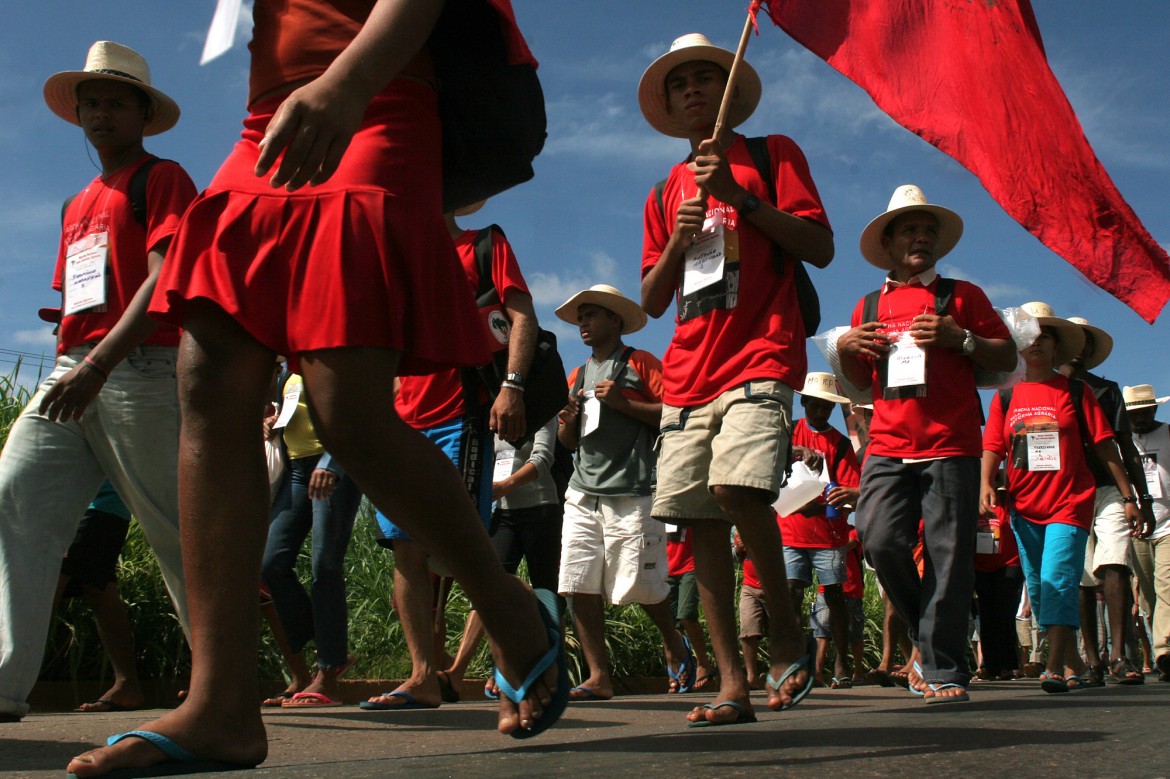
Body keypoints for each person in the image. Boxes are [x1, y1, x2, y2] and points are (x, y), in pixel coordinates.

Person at [65, 4, 566, 775]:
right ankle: (221, 705)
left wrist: (349, 83)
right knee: (207, 376)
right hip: (265, 117)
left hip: (376, 94)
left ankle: (508, 608)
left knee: (350, 413)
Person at [639, 32, 834, 727]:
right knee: (697, 521)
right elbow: (654, 299)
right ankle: (731, 683)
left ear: (727, 93)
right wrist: (675, 240)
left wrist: (740, 200)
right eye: (681, 82)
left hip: (762, 352)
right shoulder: (664, 189)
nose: (694, 89)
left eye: (706, 78)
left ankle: (785, 631)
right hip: (688, 371)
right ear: (669, 102)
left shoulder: (772, 154)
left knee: (736, 487)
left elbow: (821, 246)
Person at [0, 41, 195, 724]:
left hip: (136, 369)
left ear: (142, 113)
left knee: (173, 527)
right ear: (77, 113)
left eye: (117, 100)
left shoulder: (162, 178)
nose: (102, 112)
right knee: (15, 495)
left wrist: (99, 363)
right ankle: (4, 679)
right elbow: (78, 297)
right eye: (92, 101)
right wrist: (71, 360)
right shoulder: (75, 203)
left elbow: (166, 279)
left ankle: (218, 679)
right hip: (72, 368)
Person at [837, 184, 1017, 703]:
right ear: (888, 243)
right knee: (878, 539)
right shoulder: (868, 304)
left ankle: (943, 669)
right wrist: (848, 346)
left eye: (928, 231)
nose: (921, 238)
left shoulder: (963, 296)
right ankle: (925, 635)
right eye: (910, 230)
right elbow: (857, 380)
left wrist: (959, 338)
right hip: (888, 443)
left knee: (948, 555)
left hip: (952, 443)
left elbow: (1005, 358)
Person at [364, 205, 538, 712]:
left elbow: (522, 315)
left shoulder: (483, 245)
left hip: (462, 415)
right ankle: (422, 674)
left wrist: (513, 386)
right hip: (401, 422)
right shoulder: (396, 263)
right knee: (405, 548)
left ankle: (521, 636)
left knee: (462, 548)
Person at [981, 302, 1142, 693]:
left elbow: (1105, 447)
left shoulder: (1076, 391)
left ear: (1056, 348)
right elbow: (992, 446)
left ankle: (1053, 666)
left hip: (1070, 502)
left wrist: (1129, 496)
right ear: (1018, 347)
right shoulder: (1005, 396)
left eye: (1044, 338)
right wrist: (986, 483)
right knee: (1037, 587)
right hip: (1023, 506)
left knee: (1058, 577)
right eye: (1028, 338)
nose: (1035, 344)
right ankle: (1073, 662)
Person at [555, 284, 692, 701]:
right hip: (582, 492)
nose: (583, 323)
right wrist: (569, 420)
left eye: (592, 315)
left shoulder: (641, 363)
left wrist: (626, 404)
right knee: (578, 583)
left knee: (639, 585)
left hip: (633, 490)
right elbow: (567, 443)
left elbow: (675, 415)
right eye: (580, 317)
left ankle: (673, 639)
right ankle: (599, 676)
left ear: (615, 320)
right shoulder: (577, 375)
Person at [438, 416, 565, 701]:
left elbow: (543, 459)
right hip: (504, 514)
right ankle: (456, 674)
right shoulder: (494, 422)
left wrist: (506, 485)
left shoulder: (542, 414)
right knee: (486, 589)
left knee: (547, 593)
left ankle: (549, 671)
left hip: (542, 509)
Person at [1061, 316, 1155, 686]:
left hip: (1109, 488)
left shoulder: (1107, 390)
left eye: (1087, 341)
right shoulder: (1044, 389)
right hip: (1067, 490)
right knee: (1082, 576)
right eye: (1075, 340)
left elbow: (1123, 445)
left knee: (1114, 563)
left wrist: (1139, 497)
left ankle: (1120, 654)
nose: (1081, 347)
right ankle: (1092, 657)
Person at [261, 370, 363, 708]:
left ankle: (328, 673)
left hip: (333, 467)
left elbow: (354, 411)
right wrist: (275, 421)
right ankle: (330, 648)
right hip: (295, 468)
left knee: (325, 566)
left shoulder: (332, 357)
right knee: (271, 563)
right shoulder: (288, 368)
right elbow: (292, 408)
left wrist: (331, 463)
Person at [780, 372, 861, 688]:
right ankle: (797, 663)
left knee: (836, 596)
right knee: (792, 595)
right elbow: (772, 462)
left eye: (826, 407)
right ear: (804, 403)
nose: (821, 411)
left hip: (829, 534)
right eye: (816, 405)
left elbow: (851, 487)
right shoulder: (789, 432)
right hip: (791, 529)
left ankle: (840, 662)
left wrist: (840, 496)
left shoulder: (840, 444)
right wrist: (799, 453)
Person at [54, 482, 145, 713]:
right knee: (100, 590)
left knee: (48, 583)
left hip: (101, 507)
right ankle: (127, 685)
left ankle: (9, 680)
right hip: (75, 506)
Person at [1123, 383, 1170, 681]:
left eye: (1143, 411)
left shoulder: (1168, 433)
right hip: (1137, 526)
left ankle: (1165, 651)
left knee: (1167, 585)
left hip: (1167, 522)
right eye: (1133, 413)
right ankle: (1159, 650)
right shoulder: (1121, 441)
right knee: (1149, 593)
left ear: (1154, 408)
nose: (1138, 417)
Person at [972, 471, 1024, 681]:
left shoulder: (1009, 502)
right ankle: (989, 664)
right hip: (982, 566)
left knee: (1005, 613)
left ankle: (1008, 664)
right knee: (986, 614)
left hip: (1009, 563)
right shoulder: (972, 503)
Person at [665, 526, 717, 691]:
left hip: (691, 564)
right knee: (670, 623)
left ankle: (703, 663)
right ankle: (679, 665)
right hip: (665, 567)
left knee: (686, 615)